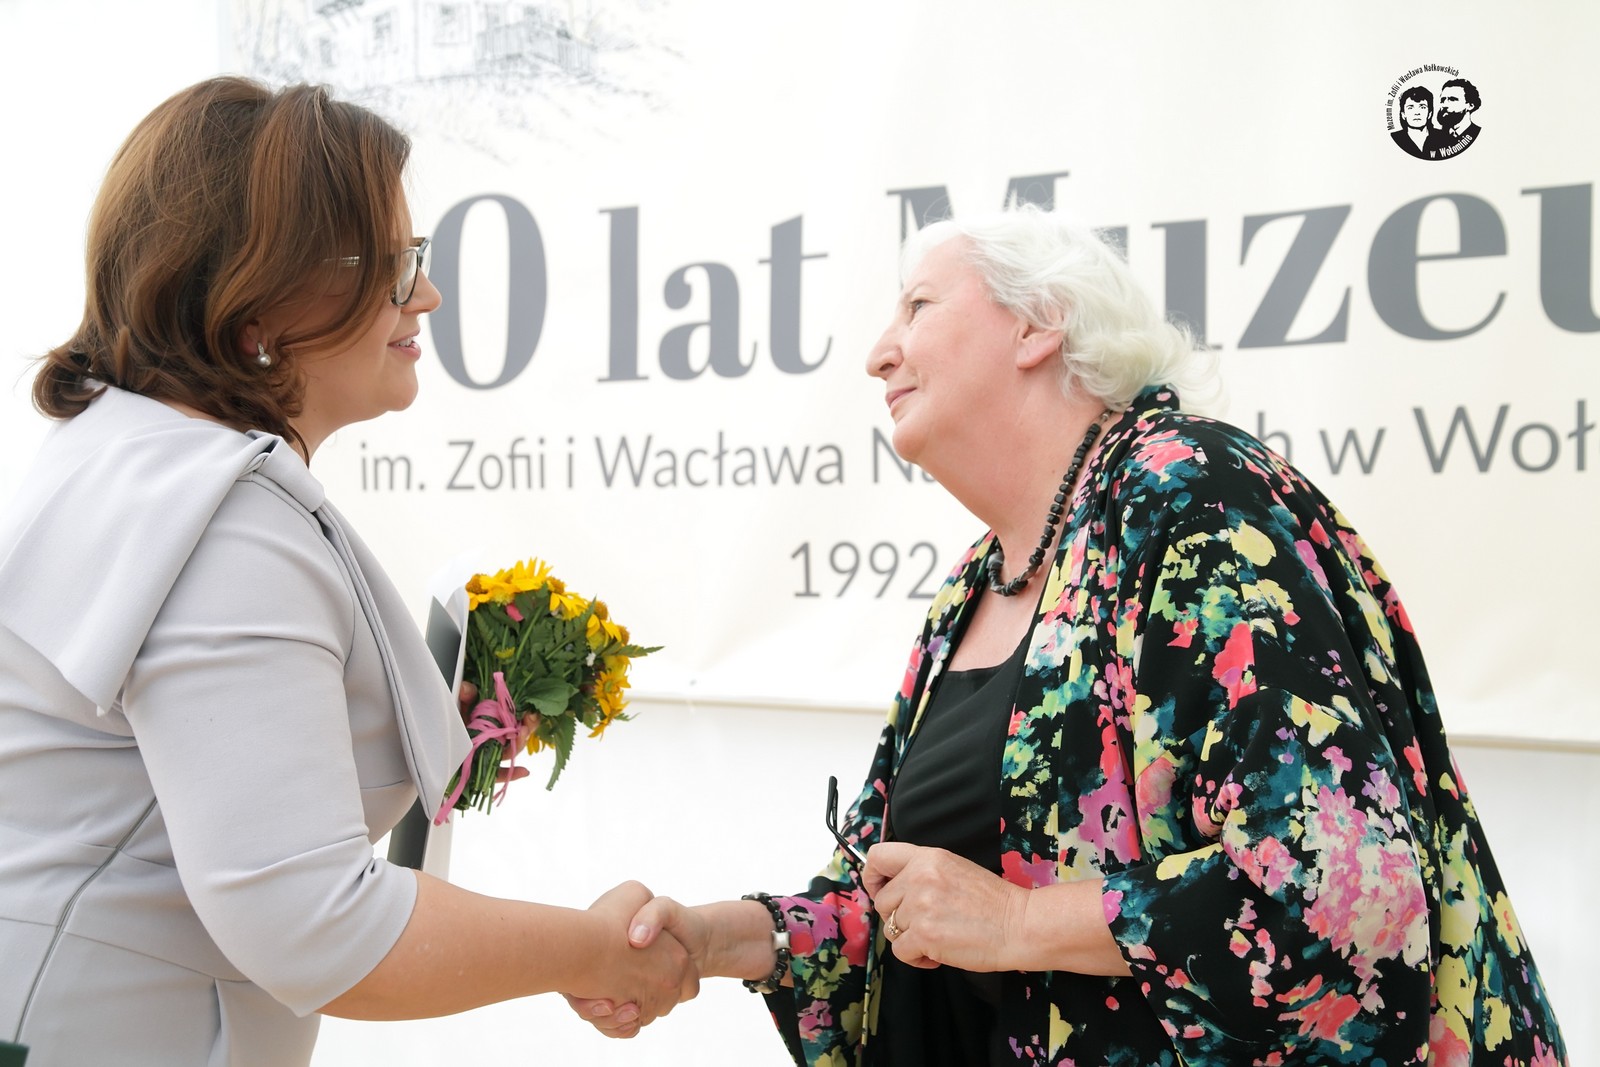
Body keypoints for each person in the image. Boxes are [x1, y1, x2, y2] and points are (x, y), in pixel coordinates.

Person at [568, 207, 1568, 1064]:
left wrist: (1017, 922)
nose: (878, 352)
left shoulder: (1194, 497)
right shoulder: (977, 584)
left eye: (918, 306)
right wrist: (707, 940)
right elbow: (897, 905)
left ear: (1038, 322)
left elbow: (1337, 890)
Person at [0, 76, 692, 1066]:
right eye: (396, 264)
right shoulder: (225, 523)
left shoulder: (128, 459)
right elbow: (316, 923)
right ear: (262, 299)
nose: (426, 296)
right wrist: (592, 949)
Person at [1425, 78, 1482, 159]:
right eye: (1442, 100)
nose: (1444, 105)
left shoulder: (1478, 135)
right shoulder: (1433, 140)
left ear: (1470, 105)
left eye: (1452, 99)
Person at [1391, 84, 1432, 158]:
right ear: (1403, 114)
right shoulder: (1395, 138)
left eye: (1422, 107)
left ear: (1429, 114)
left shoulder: (1444, 138)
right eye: (1410, 108)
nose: (1417, 113)